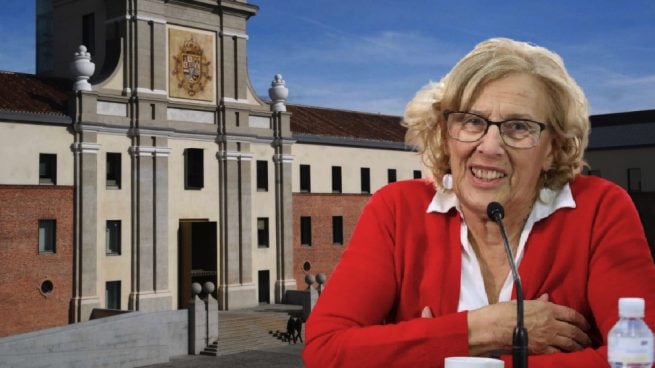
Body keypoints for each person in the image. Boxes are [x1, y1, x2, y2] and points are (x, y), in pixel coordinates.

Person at [302, 38, 655, 367]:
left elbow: (642, 356)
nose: (489, 146)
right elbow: (326, 351)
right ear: (444, 133)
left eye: (518, 127)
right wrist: (484, 329)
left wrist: (429, 350)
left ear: (553, 148)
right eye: (472, 122)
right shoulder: (396, 210)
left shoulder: (599, 209)